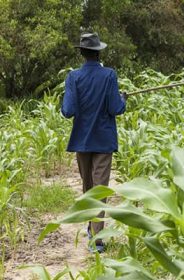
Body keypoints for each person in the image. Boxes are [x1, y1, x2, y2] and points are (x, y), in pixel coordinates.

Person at [61, 32, 127, 253]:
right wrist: (123, 99)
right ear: (98, 52)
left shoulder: (73, 78)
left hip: (81, 141)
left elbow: (68, 111)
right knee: (99, 189)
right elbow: (115, 108)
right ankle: (96, 237)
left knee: (89, 187)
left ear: (81, 53)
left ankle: (95, 234)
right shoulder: (109, 76)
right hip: (103, 140)